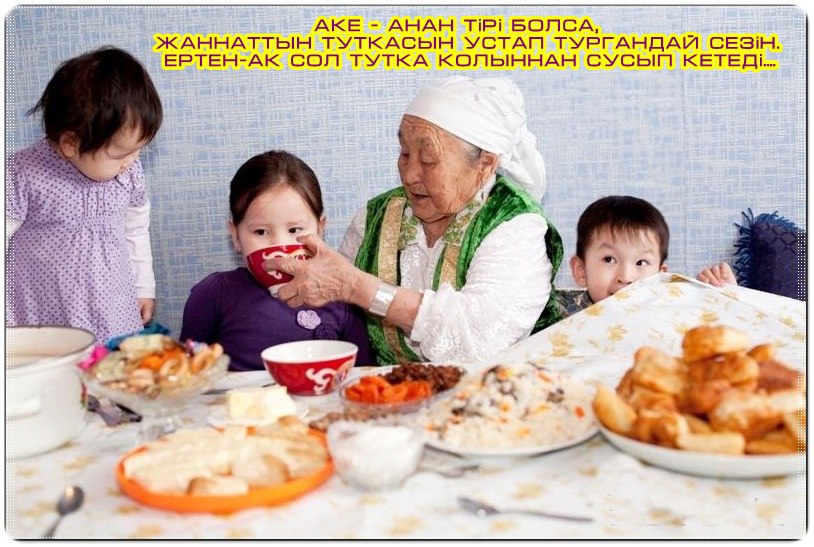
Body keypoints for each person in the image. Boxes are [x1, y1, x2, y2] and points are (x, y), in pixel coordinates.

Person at [266, 77, 563, 365]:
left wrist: (357, 287)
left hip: (498, 392)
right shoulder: (375, 218)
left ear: (485, 165)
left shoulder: (515, 225)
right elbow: (336, 311)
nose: (409, 175)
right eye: (405, 153)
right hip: (391, 394)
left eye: (428, 159)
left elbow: (478, 337)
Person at [6, 46, 163, 342]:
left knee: (114, 367)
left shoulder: (128, 172)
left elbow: (135, 230)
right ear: (71, 143)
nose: (131, 161)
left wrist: (144, 287)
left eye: (138, 150)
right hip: (44, 315)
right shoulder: (22, 172)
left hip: (113, 308)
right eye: (120, 154)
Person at [180, 150, 374, 372]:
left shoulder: (342, 298)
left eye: (294, 230)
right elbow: (186, 377)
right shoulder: (213, 294)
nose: (279, 246)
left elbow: (364, 377)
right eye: (261, 232)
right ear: (235, 236)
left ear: (320, 230)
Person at [560, 195, 737, 316]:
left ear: (661, 276)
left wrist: (728, 296)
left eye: (641, 262)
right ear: (581, 270)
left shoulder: (672, 311)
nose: (626, 277)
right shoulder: (560, 314)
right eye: (609, 259)